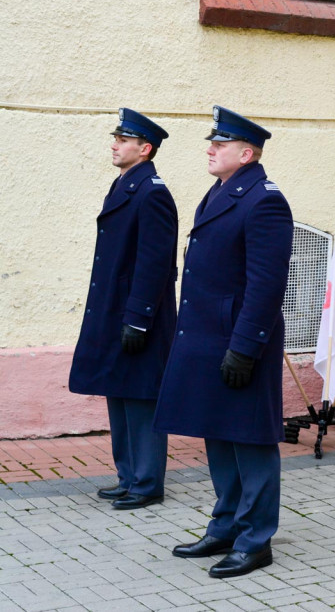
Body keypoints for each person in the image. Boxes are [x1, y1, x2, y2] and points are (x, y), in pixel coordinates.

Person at [154, 106, 293, 579]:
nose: (211, 149)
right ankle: (226, 526)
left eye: (220, 144)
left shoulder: (265, 201)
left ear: (247, 153)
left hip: (237, 341)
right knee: (218, 433)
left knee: (251, 440)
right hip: (207, 339)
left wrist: (246, 347)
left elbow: (266, 285)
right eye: (212, 142)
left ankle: (256, 541)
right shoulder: (221, 192)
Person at [69, 108, 178, 510]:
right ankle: (128, 476)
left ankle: (147, 484)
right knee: (120, 391)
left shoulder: (152, 192)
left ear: (145, 148)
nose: (114, 143)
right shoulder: (126, 185)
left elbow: (154, 263)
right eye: (116, 137)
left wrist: (138, 318)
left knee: (142, 398)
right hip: (117, 310)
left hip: (138, 315)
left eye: (123, 139)